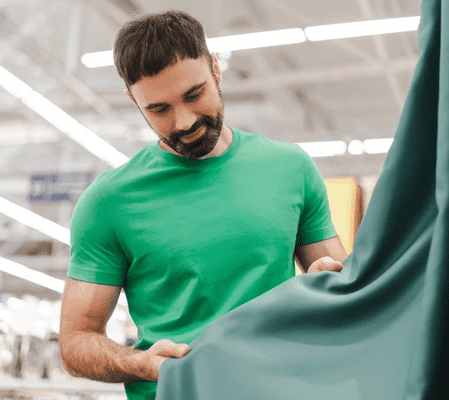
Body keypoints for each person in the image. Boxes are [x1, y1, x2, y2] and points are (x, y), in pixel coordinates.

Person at [59, 10, 348, 400]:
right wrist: (139, 363)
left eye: (194, 95)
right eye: (158, 109)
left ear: (215, 69)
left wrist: (328, 281)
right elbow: (76, 341)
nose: (184, 121)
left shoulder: (291, 168)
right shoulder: (108, 202)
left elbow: (338, 284)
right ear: (133, 99)